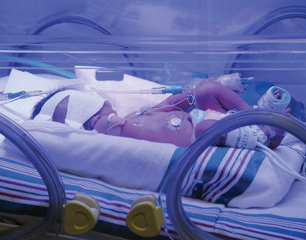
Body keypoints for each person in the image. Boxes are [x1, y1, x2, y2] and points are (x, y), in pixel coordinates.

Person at [31, 80, 290, 149]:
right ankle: (266, 133)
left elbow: (168, 105)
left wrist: (193, 91)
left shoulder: (131, 115)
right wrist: (101, 124)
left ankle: (257, 115)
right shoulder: (106, 132)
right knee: (204, 127)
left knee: (206, 90)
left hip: (206, 120)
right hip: (202, 137)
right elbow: (97, 132)